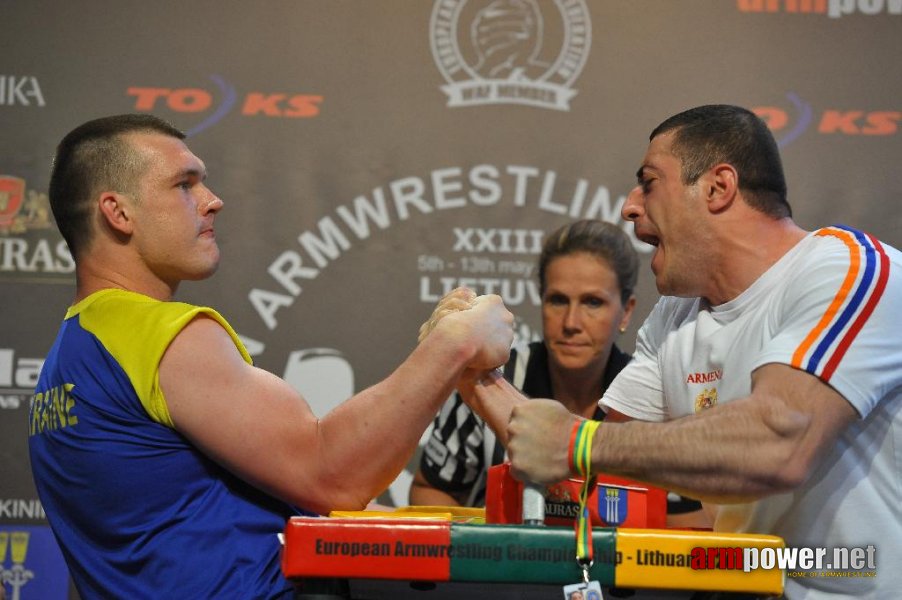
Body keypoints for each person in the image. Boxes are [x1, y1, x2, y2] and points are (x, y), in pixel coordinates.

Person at [27, 114, 514, 599]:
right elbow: (331, 476)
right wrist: (455, 343)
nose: (212, 200)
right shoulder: (157, 335)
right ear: (118, 212)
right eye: (184, 184)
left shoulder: (71, 355)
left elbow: (255, 505)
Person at [461, 105, 901, 598]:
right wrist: (468, 367)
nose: (630, 206)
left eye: (649, 183)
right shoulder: (676, 316)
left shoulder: (850, 270)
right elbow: (597, 469)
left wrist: (577, 444)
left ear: (718, 187)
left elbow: (781, 444)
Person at [411, 219, 707, 525]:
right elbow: (430, 488)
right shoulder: (490, 376)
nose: (571, 322)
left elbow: (688, 524)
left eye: (592, 302)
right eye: (558, 300)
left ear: (627, 311)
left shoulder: (657, 397)